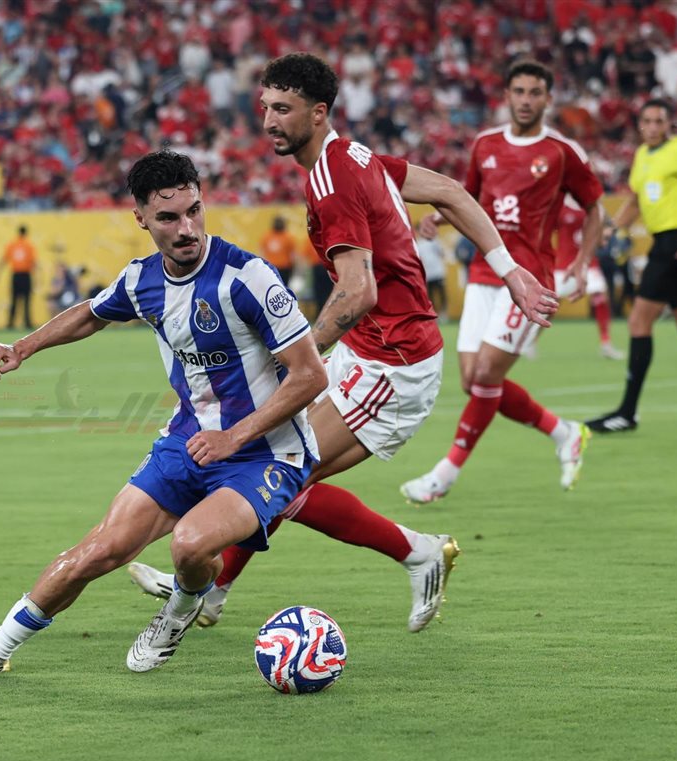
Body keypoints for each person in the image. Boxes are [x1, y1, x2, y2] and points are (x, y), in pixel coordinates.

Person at [128, 53, 557, 630]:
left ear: (318, 112)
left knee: (281, 473)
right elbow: (451, 191)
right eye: (266, 107)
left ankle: (418, 553)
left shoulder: (333, 178)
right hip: (368, 348)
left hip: (393, 363)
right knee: (274, 469)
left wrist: (294, 353)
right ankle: (215, 588)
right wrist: (510, 270)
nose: (269, 121)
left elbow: (358, 291)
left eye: (284, 109)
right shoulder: (353, 156)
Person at [0, 151, 328, 681]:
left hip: (265, 452)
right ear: (140, 217)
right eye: (168, 217)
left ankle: (180, 610)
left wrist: (234, 436)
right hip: (186, 441)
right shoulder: (142, 280)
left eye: (193, 211)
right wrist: (21, 347)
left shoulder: (247, 278)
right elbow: (91, 315)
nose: (186, 229)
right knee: (99, 550)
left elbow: (310, 376)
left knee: (190, 544)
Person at [401, 60, 604, 504]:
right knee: (473, 380)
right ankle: (564, 432)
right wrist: (440, 216)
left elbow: (595, 207)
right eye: (520, 92)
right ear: (507, 96)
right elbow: (470, 199)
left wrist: (583, 261)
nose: (526, 100)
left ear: (548, 99)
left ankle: (445, 473)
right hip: (484, 272)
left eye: (535, 92)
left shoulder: (562, 151)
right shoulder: (485, 144)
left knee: (487, 373)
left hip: (530, 279)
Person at [586, 99, 677, 434]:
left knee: (638, 321)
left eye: (658, 121)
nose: (651, 127)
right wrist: (613, 228)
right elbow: (635, 201)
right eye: (646, 121)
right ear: (639, 125)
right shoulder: (642, 156)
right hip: (665, 243)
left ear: (669, 124)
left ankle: (627, 412)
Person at [553, 197, 623, 359]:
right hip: (564, 265)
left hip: (588, 263)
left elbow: (606, 226)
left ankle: (606, 343)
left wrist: (605, 234)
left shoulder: (592, 203)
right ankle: (530, 341)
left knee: (600, 297)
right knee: (549, 305)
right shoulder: (560, 205)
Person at [0, 225, 36, 329]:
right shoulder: (29, 245)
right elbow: (33, 262)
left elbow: (4, 260)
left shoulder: (12, 244)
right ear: (26, 233)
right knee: (26, 300)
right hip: (26, 275)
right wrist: (36, 278)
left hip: (16, 275)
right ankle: (27, 323)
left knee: (14, 299)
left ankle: (11, 323)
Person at [417, 228, 450, 322]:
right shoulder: (418, 243)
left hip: (438, 272)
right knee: (430, 296)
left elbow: (442, 253)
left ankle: (444, 314)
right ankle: (434, 314)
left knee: (442, 294)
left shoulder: (434, 241)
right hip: (428, 274)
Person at [260, 215, 296, 287]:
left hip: (284, 268)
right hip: (271, 268)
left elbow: (292, 254)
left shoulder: (288, 237)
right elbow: (262, 252)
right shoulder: (267, 236)